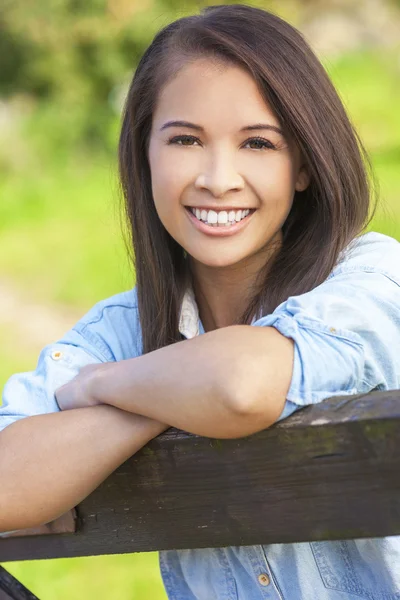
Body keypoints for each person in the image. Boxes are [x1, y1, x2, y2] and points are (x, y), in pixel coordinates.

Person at [1, 3, 400, 598]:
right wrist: (167, 393)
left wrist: (99, 387)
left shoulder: (373, 278)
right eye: (186, 139)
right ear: (146, 153)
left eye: (259, 144)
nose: (218, 177)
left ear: (304, 166)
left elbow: (239, 387)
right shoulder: (122, 329)